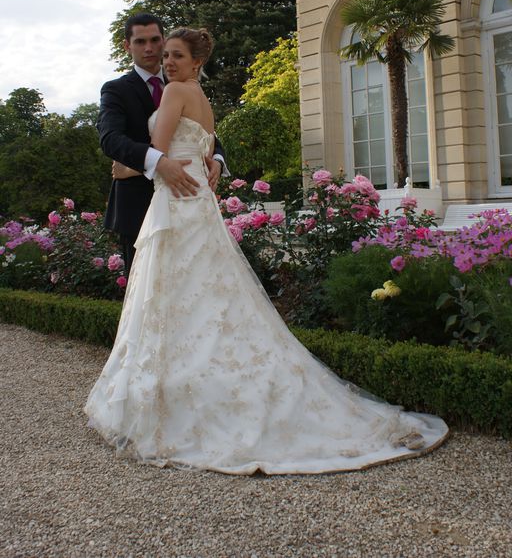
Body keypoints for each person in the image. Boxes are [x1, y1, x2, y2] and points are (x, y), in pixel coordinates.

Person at [85, 27, 448, 475]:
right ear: (130, 46)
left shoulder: (177, 88)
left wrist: (189, 162)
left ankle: (175, 395)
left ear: (190, 58)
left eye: (168, 48)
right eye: (151, 46)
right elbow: (123, 138)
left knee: (176, 295)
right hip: (179, 203)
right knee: (200, 295)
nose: (161, 56)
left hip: (178, 205)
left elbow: (180, 147)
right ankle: (169, 385)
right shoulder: (129, 89)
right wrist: (170, 160)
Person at [97, 13, 227, 275]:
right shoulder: (115, 90)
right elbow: (110, 139)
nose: (149, 48)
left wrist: (218, 161)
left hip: (187, 199)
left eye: (155, 40)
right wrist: (158, 162)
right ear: (127, 46)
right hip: (137, 209)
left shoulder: (182, 84)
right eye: (140, 41)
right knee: (149, 298)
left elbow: (204, 135)